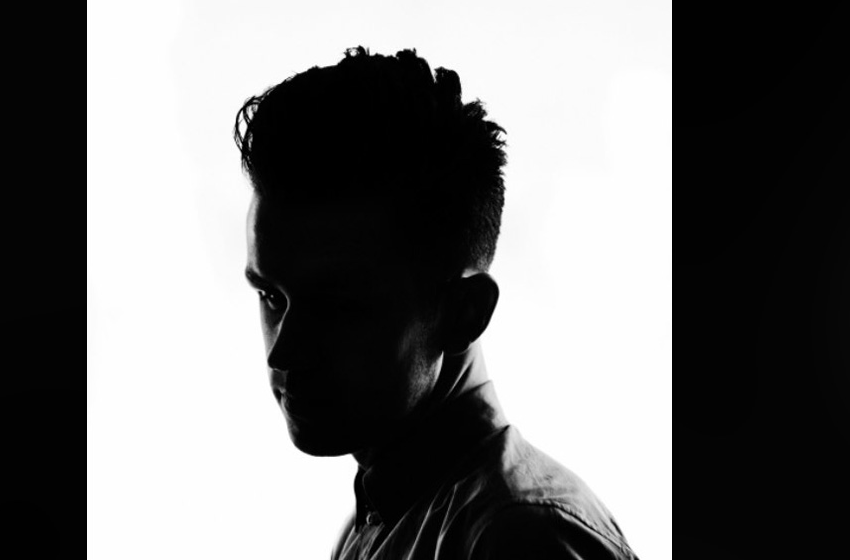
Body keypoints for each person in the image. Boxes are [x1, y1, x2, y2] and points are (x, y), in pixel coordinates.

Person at [234, 46, 639, 560]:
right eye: (272, 296)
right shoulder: (378, 524)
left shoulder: (520, 538)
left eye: (337, 306)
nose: (284, 351)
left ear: (465, 312)